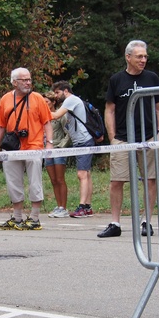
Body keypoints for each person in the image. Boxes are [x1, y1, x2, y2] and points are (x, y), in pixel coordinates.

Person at [99, 40, 159, 238]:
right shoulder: (116, 80)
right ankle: (115, 223)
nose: (143, 60)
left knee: (150, 180)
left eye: (145, 56)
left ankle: (146, 221)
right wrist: (112, 138)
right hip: (122, 138)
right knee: (117, 180)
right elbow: (109, 109)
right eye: (139, 56)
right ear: (128, 57)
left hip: (149, 136)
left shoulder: (152, 78)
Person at [0, 67, 54, 230]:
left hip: (34, 146)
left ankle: (34, 217)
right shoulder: (5, 99)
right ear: (14, 82)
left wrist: (49, 143)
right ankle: (17, 217)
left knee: (35, 182)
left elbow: (47, 122)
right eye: (24, 80)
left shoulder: (38, 99)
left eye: (29, 79)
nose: (28, 83)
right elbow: (0, 125)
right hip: (12, 147)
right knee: (13, 182)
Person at [50, 81, 95, 218]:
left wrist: (39, 108)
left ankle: (82, 207)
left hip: (83, 141)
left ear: (65, 91)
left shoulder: (71, 100)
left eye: (57, 93)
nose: (56, 96)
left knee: (81, 174)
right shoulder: (71, 101)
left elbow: (55, 116)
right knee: (86, 174)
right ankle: (87, 206)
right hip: (80, 141)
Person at [42, 91, 71, 217]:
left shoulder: (60, 115)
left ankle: (63, 207)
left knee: (60, 179)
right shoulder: (42, 116)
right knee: (53, 180)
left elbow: (68, 133)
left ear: (53, 102)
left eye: (47, 102)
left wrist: (61, 146)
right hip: (47, 151)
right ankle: (58, 205)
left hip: (58, 150)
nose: (44, 104)